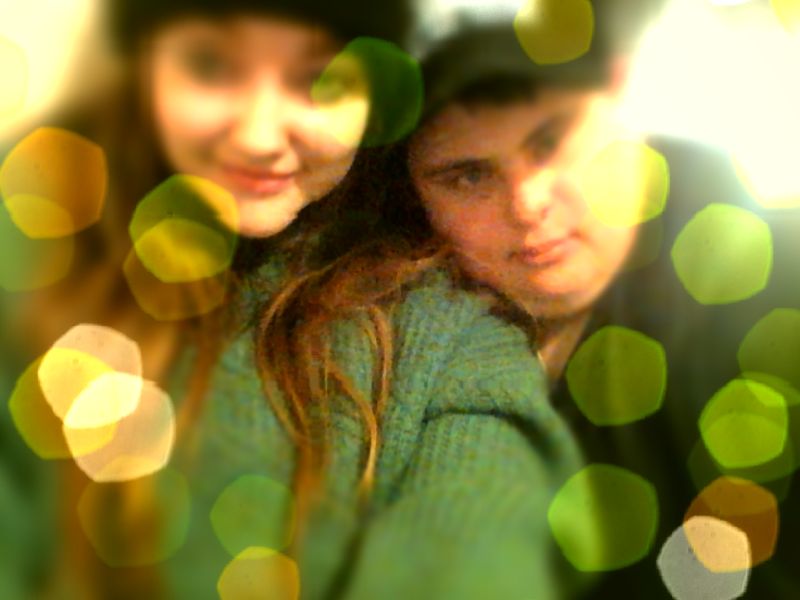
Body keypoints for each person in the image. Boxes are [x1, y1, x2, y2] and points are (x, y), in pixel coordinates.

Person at [1, 1, 585, 598]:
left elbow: (481, 540)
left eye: (320, 80)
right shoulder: (31, 231)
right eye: (210, 66)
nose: (258, 137)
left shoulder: (451, 338)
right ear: (146, 68)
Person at [404, 2, 800, 598]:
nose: (527, 203)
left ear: (618, 91)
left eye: (550, 141)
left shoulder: (771, 273)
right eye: (469, 176)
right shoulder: (403, 326)